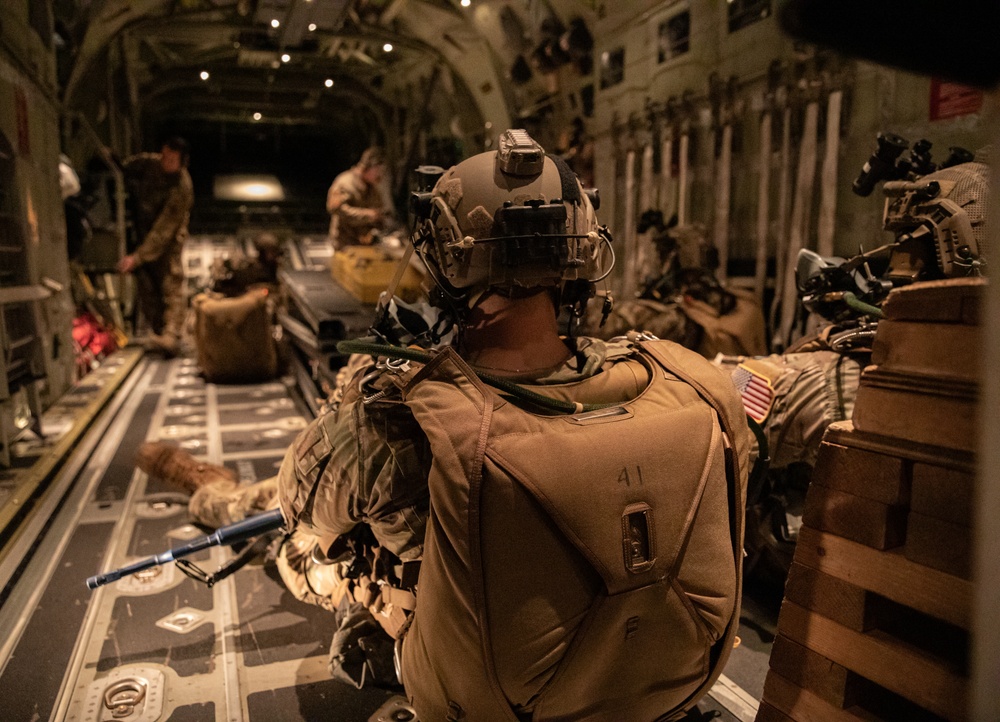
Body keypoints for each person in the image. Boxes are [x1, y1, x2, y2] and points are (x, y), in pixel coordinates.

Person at [140, 130, 752, 721]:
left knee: (301, 547)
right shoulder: (689, 387)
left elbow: (302, 506)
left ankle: (212, 494)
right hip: (665, 680)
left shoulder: (400, 424)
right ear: (585, 252)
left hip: (484, 698)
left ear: (446, 258)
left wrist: (359, 389)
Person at [116, 137, 194, 356]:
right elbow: (123, 168)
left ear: (182, 162)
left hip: (168, 240)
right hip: (143, 231)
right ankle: (160, 331)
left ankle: (171, 335)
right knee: (147, 286)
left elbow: (164, 230)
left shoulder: (182, 187)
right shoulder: (148, 163)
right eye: (164, 156)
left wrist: (138, 257)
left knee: (171, 281)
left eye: (172, 160)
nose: (165, 162)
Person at [326, 146, 391, 249]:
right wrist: (367, 215)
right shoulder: (345, 183)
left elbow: (378, 208)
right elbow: (335, 209)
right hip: (345, 244)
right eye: (378, 170)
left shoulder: (372, 188)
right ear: (369, 167)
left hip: (365, 244)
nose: (380, 175)